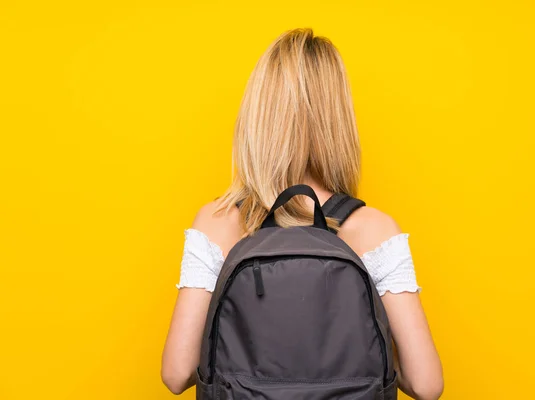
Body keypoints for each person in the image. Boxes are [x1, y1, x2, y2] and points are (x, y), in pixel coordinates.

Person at [161, 27, 443, 400]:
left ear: (259, 115)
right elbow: (425, 385)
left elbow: (177, 374)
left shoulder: (219, 221)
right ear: (338, 120)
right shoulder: (373, 229)